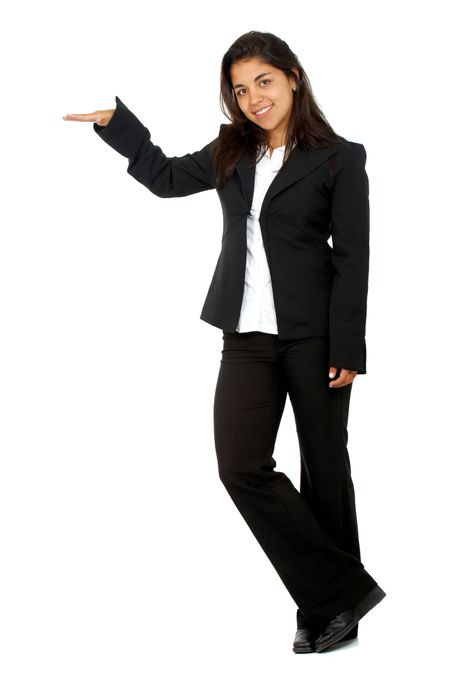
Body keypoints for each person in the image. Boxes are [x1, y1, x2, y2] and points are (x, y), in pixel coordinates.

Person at [63, 30, 386, 654]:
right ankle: (337, 591)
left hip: (316, 336)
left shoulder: (341, 158)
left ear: (293, 76)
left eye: (263, 81)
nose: (252, 98)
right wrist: (118, 125)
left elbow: (354, 258)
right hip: (245, 335)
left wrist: (349, 346)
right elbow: (163, 178)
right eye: (240, 89)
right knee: (239, 465)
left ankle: (327, 605)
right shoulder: (231, 151)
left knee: (325, 468)